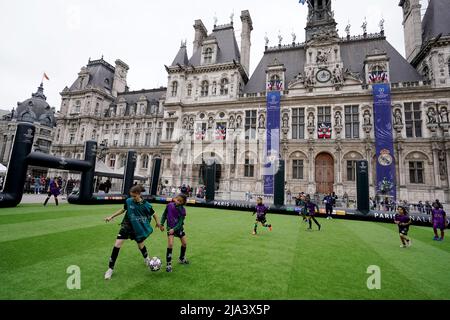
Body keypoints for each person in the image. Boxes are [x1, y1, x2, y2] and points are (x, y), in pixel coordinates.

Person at [103, 185, 161, 280]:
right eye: (131, 196)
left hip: (138, 228)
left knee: (140, 245)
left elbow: (154, 214)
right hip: (126, 226)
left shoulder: (146, 205)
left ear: (139, 194)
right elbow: (123, 209)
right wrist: (111, 216)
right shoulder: (129, 201)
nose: (132, 198)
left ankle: (146, 258)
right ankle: (110, 269)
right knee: (117, 245)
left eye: (134, 196)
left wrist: (158, 223)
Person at [160, 194, 189, 273]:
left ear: (182, 203)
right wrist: (161, 224)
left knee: (184, 243)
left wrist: (174, 229)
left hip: (178, 228)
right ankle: (168, 264)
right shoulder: (169, 205)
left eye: (180, 201)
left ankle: (181, 258)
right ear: (175, 198)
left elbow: (180, 223)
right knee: (170, 244)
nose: (177, 201)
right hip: (170, 228)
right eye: (177, 199)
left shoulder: (182, 210)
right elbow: (164, 215)